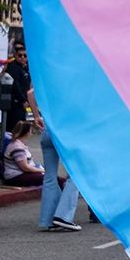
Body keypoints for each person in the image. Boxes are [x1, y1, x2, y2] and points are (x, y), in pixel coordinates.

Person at [29, 89, 82, 232]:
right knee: (76, 174)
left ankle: (47, 219)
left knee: (49, 177)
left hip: (48, 129)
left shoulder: (47, 81)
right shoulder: (68, 84)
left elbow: (30, 93)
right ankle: (63, 216)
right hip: (67, 131)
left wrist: (36, 116)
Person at [2, 120, 45, 187]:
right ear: (27, 133)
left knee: (48, 174)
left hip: (20, 174)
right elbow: (25, 167)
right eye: (30, 131)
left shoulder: (18, 144)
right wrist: (41, 170)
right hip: (16, 176)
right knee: (50, 178)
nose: (31, 133)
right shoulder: (17, 147)